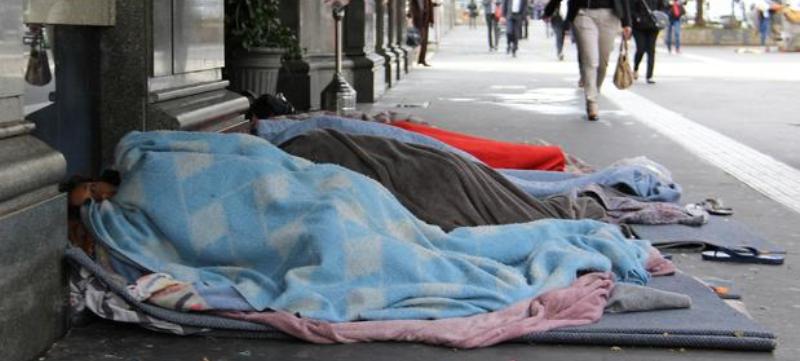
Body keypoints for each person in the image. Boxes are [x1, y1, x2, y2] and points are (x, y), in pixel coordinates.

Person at [544, 0, 633, 121]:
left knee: (602, 63)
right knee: (590, 60)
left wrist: (627, 22)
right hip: (583, 14)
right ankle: (592, 101)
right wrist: (549, 10)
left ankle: (595, 91)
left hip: (610, 15)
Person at [631, 0, 666, 84]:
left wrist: (659, 16)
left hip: (653, 26)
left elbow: (662, 7)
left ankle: (649, 76)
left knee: (651, 50)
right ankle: (635, 68)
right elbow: (630, 9)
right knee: (641, 49)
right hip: (639, 27)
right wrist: (637, 18)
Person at [410, 0, 438, 66]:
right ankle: (414, 59)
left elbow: (429, 6)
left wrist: (431, 20)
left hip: (425, 21)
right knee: (417, 41)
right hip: (417, 21)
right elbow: (411, 7)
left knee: (424, 42)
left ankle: (422, 60)